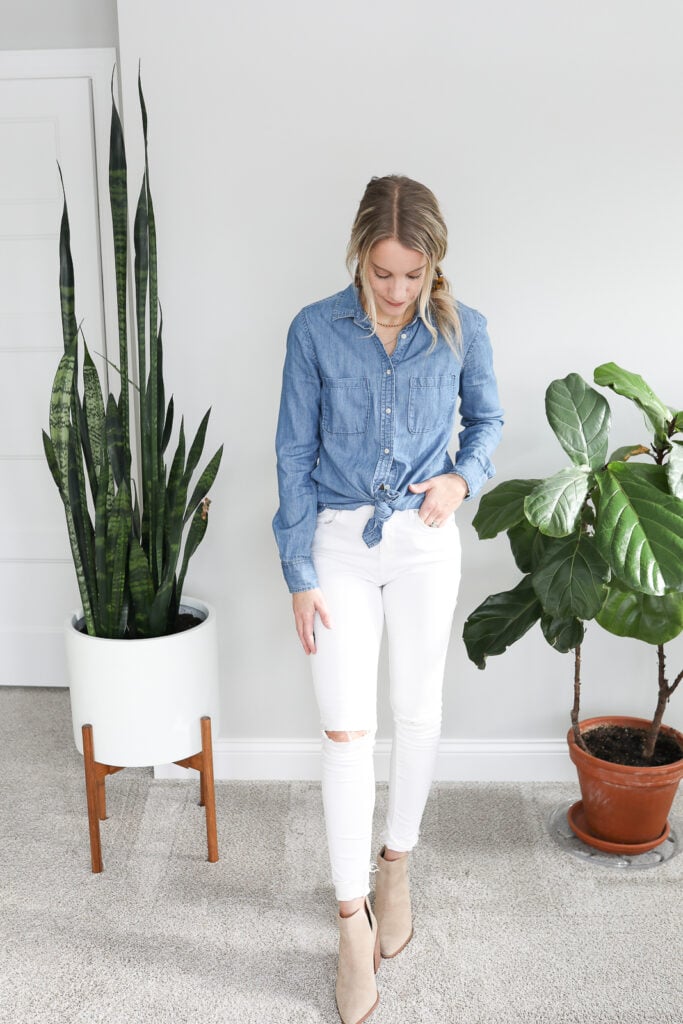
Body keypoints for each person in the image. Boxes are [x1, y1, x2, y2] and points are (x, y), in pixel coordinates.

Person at [272, 174, 503, 1024]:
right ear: (358, 258)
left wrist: (459, 478)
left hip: (422, 542)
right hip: (336, 538)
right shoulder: (313, 330)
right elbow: (292, 452)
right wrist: (299, 571)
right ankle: (348, 918)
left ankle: (395, 862)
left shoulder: (462, 330)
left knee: (415, 710)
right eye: (382, 274)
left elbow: (487, 423)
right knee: (344, 731)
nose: (398, 292)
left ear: (434, 263)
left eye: (413, 274)